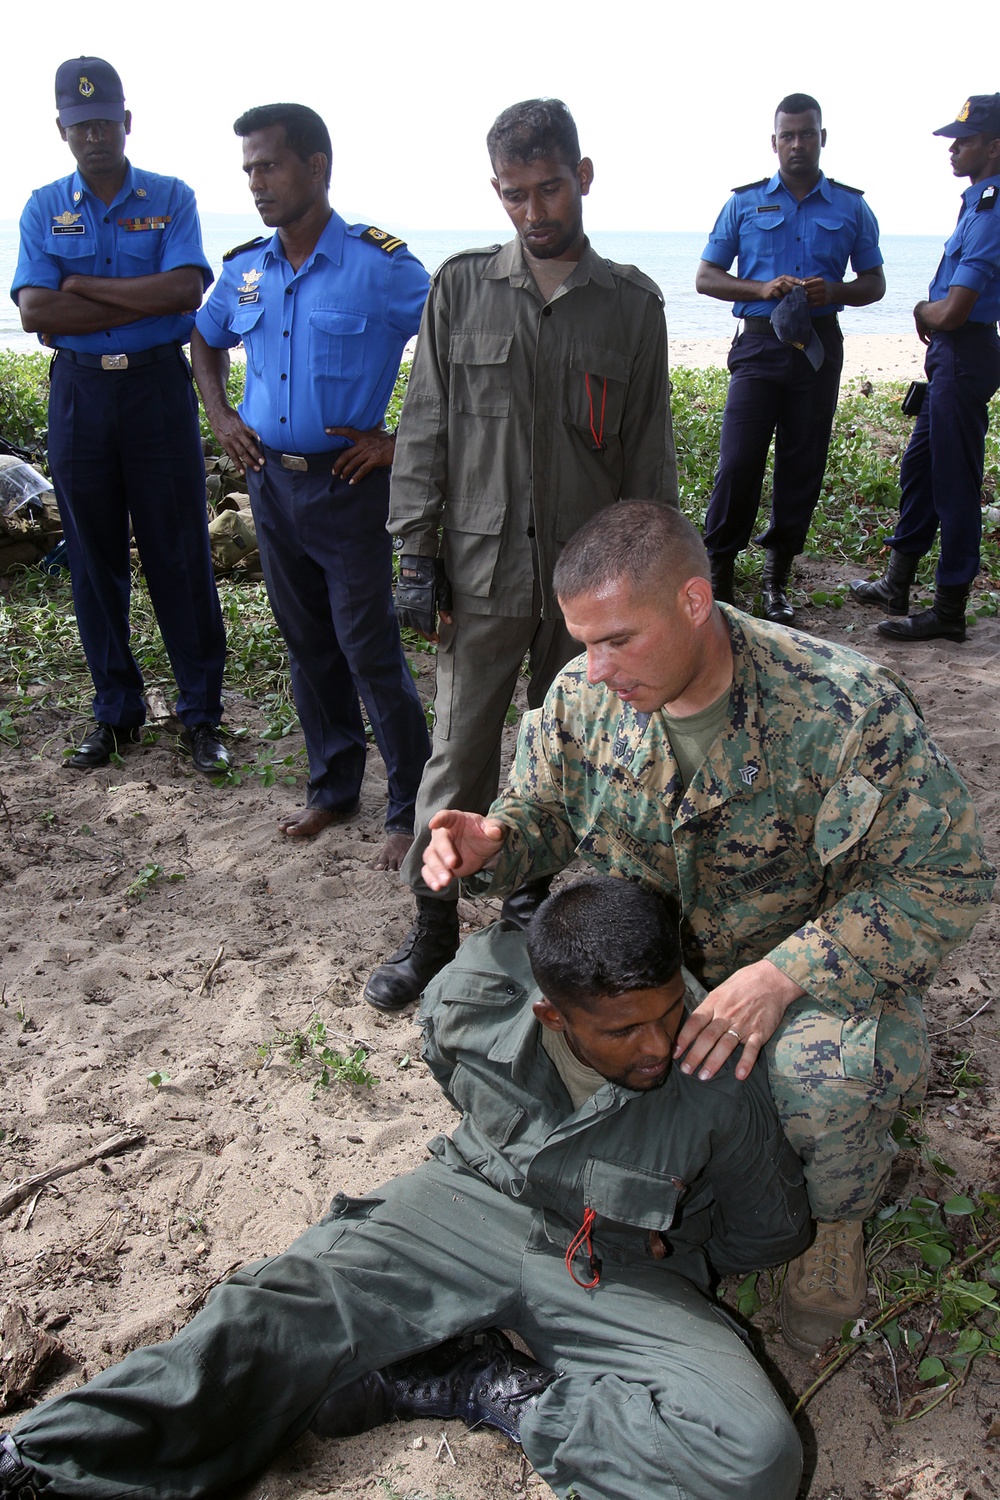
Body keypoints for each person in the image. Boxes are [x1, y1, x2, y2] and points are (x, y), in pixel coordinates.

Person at [0, 877, 809, 1500]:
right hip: (465, 1202)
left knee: (754, 1455)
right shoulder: (471, 998)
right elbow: (450, 1071)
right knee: (276, 1309)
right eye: (624, 1029)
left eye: (669, 1012)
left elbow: (769, 1232)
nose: (660, 1043)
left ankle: (493, 1389)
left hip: (621, 1267)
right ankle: (46, 1462)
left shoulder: (717, 1071)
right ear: (554, 1017)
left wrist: (681, 1238)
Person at [422, 501, 995, 1355]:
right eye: (583, 641)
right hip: (654, 966)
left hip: (804, 976)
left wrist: (784, 974)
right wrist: (496, 843)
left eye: (618, 639)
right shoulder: (583, 698)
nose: (596, 667)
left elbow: (947, 878)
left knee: (824, 1078)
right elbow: (541, 809)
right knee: (490, 997)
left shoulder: (842, 709)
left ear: (694, 602)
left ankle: (833, 1225)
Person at [365, 97, 678, 1010]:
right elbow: (423, 429)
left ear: (583, 176)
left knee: (569, 754)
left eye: (549, 189)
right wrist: (415, 556)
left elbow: (647, 460)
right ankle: (429, 932)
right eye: (515, 196)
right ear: (497, 193)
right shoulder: (461, 288)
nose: (536, 212)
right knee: (458, 755)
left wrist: (648, 586)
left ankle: (535, 909)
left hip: (587, 592)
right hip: (483, 574)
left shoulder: (631, 307)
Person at [191, 104, 430, 867]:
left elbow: (455, 346)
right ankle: (332, 790)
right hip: (271, 488)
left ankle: (410, 802)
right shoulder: (246, 268)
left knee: (368, 648)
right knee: (307, 646)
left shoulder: (381, 265)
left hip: (348, 487)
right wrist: (223, 414)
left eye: (270, 165)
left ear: (316, 166)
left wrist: (401, 439)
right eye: (250, 169)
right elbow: (203, 337)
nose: (257, 183)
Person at [10, 57, 228, 774]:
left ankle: (202, 715)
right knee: (92, 561)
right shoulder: (44, 206)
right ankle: (116, 713)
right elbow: (36, 308)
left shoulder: (171, 197)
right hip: (80, 396)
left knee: (180, 555)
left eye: (104, 121)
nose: (94, 135)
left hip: (156, 394)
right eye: (80, 126)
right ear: (62, 131)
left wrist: (82, 286)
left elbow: (185, 292)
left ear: (125, 122)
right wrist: (138, 290)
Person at [696, 92, 885, 623]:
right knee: (738, 461)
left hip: (818, 350)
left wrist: (838, 292)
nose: (797, 144)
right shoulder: (744, 202)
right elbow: (706, 277)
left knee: (802, 463)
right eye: (788, 135)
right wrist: (760, 288)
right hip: (758, 345)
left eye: (807, 134)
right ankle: (720, 572)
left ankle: (777, 582)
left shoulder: (851, 207)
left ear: (822, 138)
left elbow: (875, 282)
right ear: (774, 142)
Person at [851, 95, 1000, 643]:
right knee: (919, 469)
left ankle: (949, 609)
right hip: (953, 355)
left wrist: (920, 311)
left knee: (954, 484)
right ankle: (897, 580)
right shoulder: (976, 202)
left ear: (994, 146)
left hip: (963, 351)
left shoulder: (991, 207)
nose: (954, 148)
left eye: (964, 140)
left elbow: (956, 309)